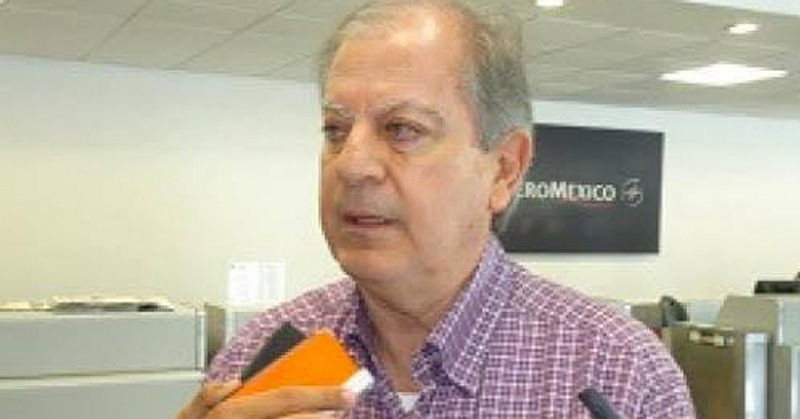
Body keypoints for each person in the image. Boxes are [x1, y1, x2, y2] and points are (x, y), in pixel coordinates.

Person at [175, 0, 696, 417]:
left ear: (504, 170)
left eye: (402, 129)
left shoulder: (621, 372)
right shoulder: (257, 357)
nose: (352, 164)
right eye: (335, 130)